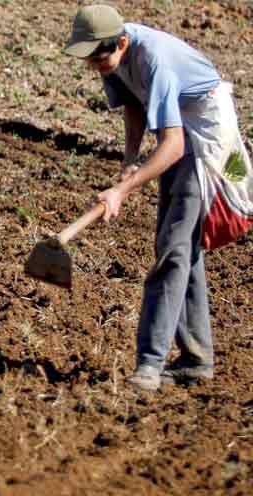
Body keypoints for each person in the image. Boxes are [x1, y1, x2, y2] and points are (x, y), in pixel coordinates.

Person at [64, 5, 233, 391]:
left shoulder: (154, 59)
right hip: (177, 131)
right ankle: (196, 360)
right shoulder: (113, 56)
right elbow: (135, 105)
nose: (95, 65)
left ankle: (150, 364)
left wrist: (123, 190)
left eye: (100, 57)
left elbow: (173, 146)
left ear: (121, 42)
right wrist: (129, 162)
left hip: (203, 136)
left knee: (173, 249)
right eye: (88, 59)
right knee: (178, 246)